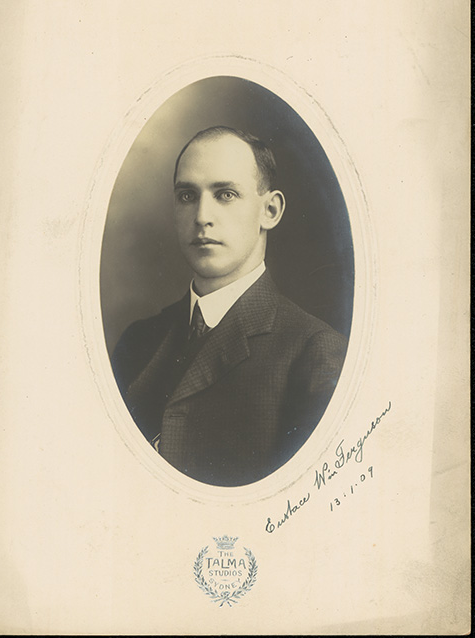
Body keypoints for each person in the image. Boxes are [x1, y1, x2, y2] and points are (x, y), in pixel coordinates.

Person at [111, 126, 347, 486]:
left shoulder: (314, 354)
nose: (202, 216)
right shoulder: (138, 341)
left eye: (225, 194)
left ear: (270, 210)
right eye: (187, 196)